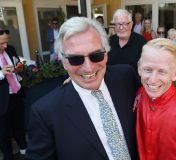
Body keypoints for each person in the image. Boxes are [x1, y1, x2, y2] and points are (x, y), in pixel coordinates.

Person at [26, 17, 139, 160]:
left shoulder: (125, 77)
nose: (88, 67)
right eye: (75, 59)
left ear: (106, 53)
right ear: (64, 62)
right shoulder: (45, 112)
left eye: (96, 55)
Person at [0, 27, 27, 160]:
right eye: (1, 43)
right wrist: (0, 73)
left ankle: (24, 149)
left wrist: (19, 67)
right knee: (4, 133)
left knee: (19, 125)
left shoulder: (10, 49)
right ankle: (8, 156)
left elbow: (18, 63)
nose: (5, 45)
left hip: (16, 94)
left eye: (6, 41)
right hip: (2, 100)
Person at [107, 9, 147, 73]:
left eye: (124, 23)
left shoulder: (141, 42)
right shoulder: (108, 42)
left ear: (131, 24)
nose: (121, 27)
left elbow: (146, 68)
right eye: (118, 24)